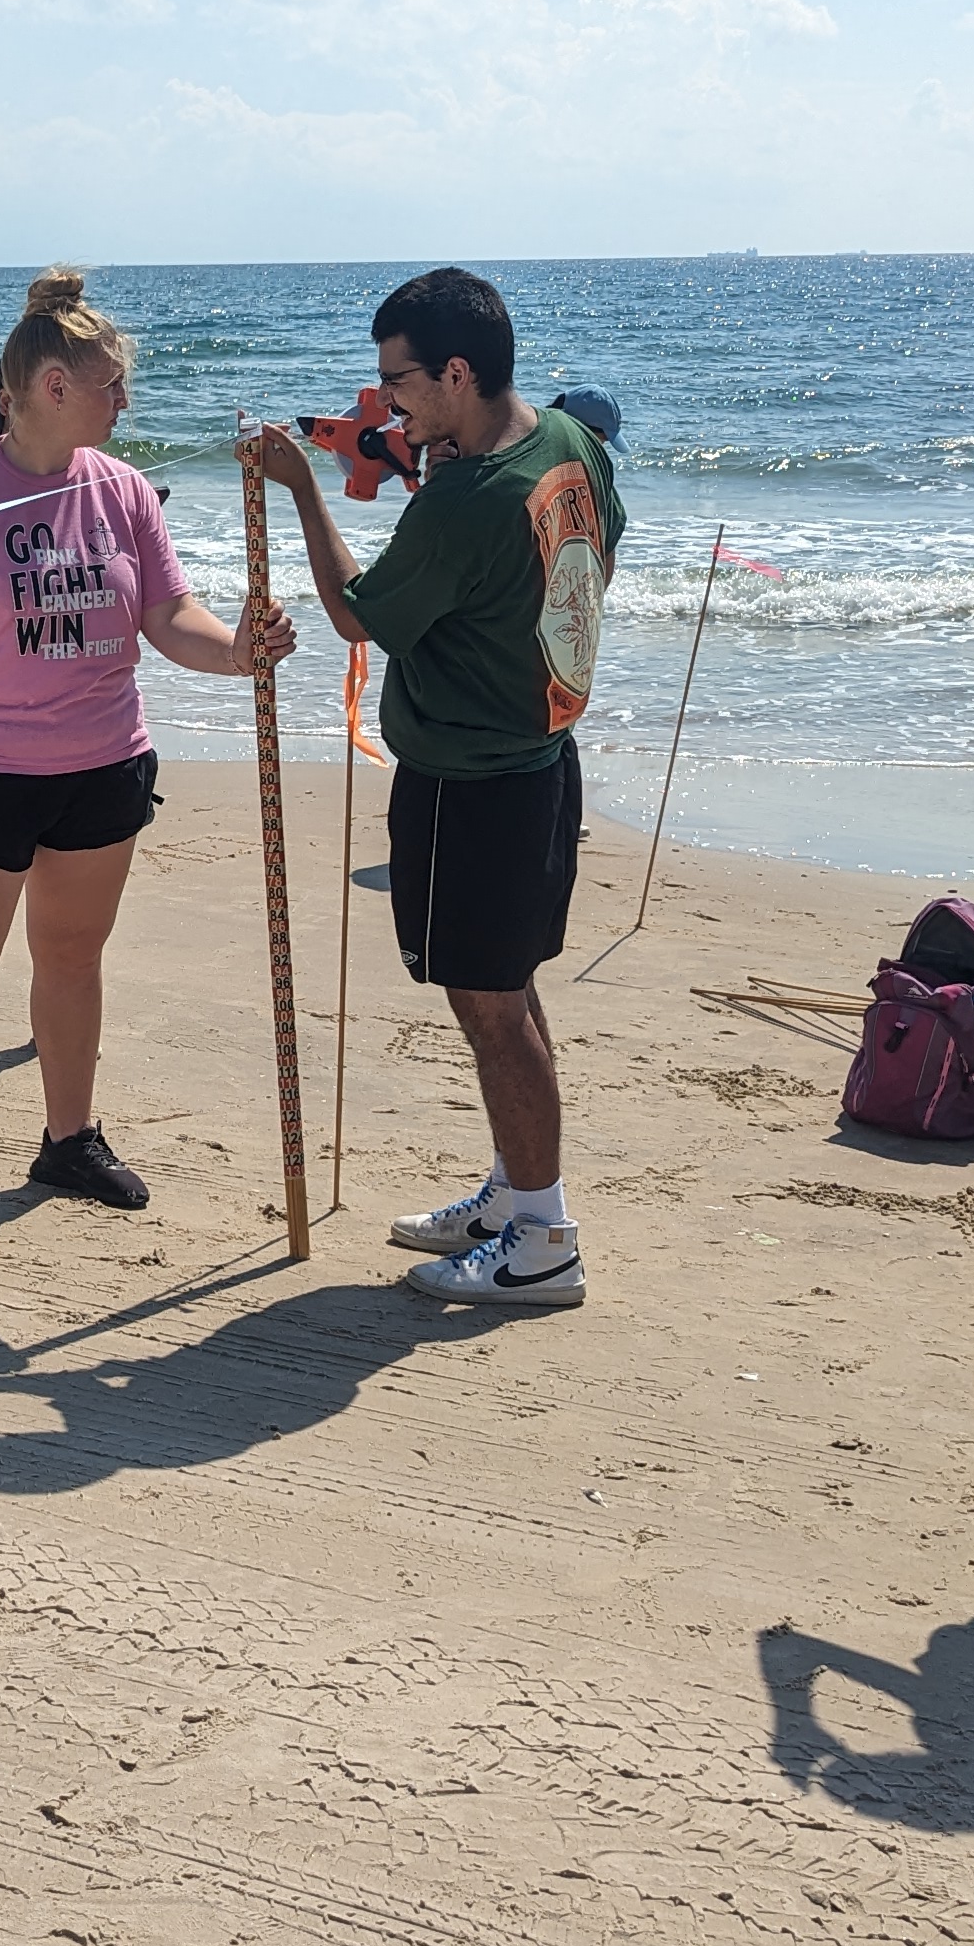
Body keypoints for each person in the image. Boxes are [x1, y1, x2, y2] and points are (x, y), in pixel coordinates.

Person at [0, 268, 293, 1269]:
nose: (124, 403)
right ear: (52, 385)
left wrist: (237, 652)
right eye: (110, 386)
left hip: (105, 764)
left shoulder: (123, 490)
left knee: (73, 959)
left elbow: (167, 616)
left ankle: (67, 1140)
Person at [254, 265, 624, 1313]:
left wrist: (303, 488)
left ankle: (545, 1237)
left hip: (475, 782)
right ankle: (518, 1193)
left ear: (457, 371)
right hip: (543, 755)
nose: (392, 403)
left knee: (491, 1004)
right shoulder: (567, 441)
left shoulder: (466, 499)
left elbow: (359, 614)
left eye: (402, 381)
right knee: (507, 988)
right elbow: (580, 562)